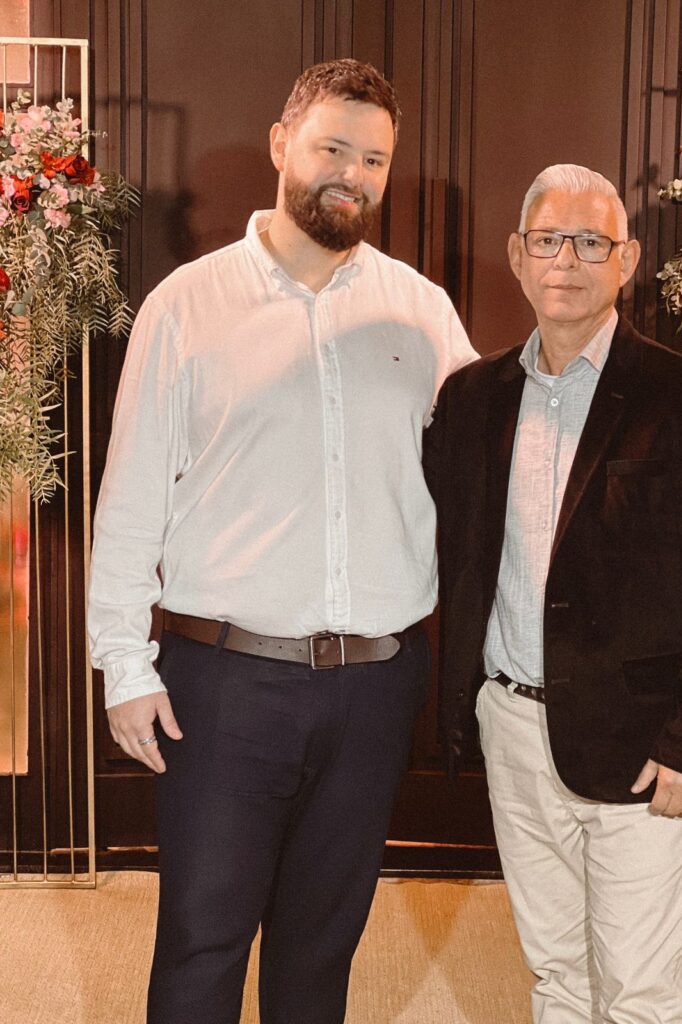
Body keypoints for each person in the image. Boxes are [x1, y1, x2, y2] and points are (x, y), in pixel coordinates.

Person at [88, 59, 475, 1024]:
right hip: (225, 688)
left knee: (320, 954)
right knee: (201, 945)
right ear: (280, 145)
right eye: (332, 148)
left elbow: (491, 467)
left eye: (373, 159)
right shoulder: (187, 304)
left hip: (376, 690)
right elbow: (129, 498)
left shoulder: (421, 310)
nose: (353, 174)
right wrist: (123, 666)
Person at [424, 164, 682, 1023]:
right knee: (559, 979)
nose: (566, 261)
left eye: (590, 242)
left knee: (640, 997)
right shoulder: (471, 399)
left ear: (627, 260)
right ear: (517, 255)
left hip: (643, 746)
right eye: (548, 240)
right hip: (514, 729)